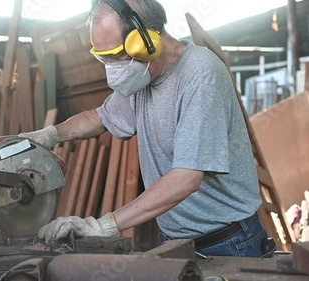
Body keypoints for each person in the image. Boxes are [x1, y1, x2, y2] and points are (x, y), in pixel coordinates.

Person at [19, 0, 276, 258]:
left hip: (227, 243)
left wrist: (103, 225)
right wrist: (48, 136)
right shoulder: (142, 75)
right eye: (104, 58)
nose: (112, 68)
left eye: (117, 56)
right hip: (176, 240)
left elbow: (186, 179)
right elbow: (99, 118)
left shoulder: (200, 74)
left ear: (146, 42)